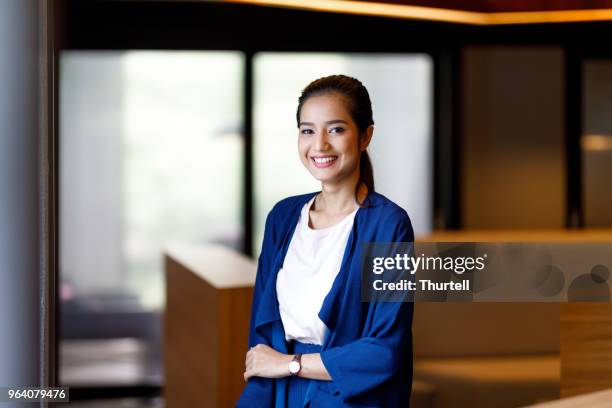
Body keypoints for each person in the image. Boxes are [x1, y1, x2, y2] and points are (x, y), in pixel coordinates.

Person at [236, 75, 414, 407]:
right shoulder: (283, 218)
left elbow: (385, 352)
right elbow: (261, 345)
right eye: (307, 130)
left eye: (335, 129)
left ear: (365, 136)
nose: (319, 145)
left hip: (347, 397)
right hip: (277, 394)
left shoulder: (388, 224)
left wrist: (290, 365)